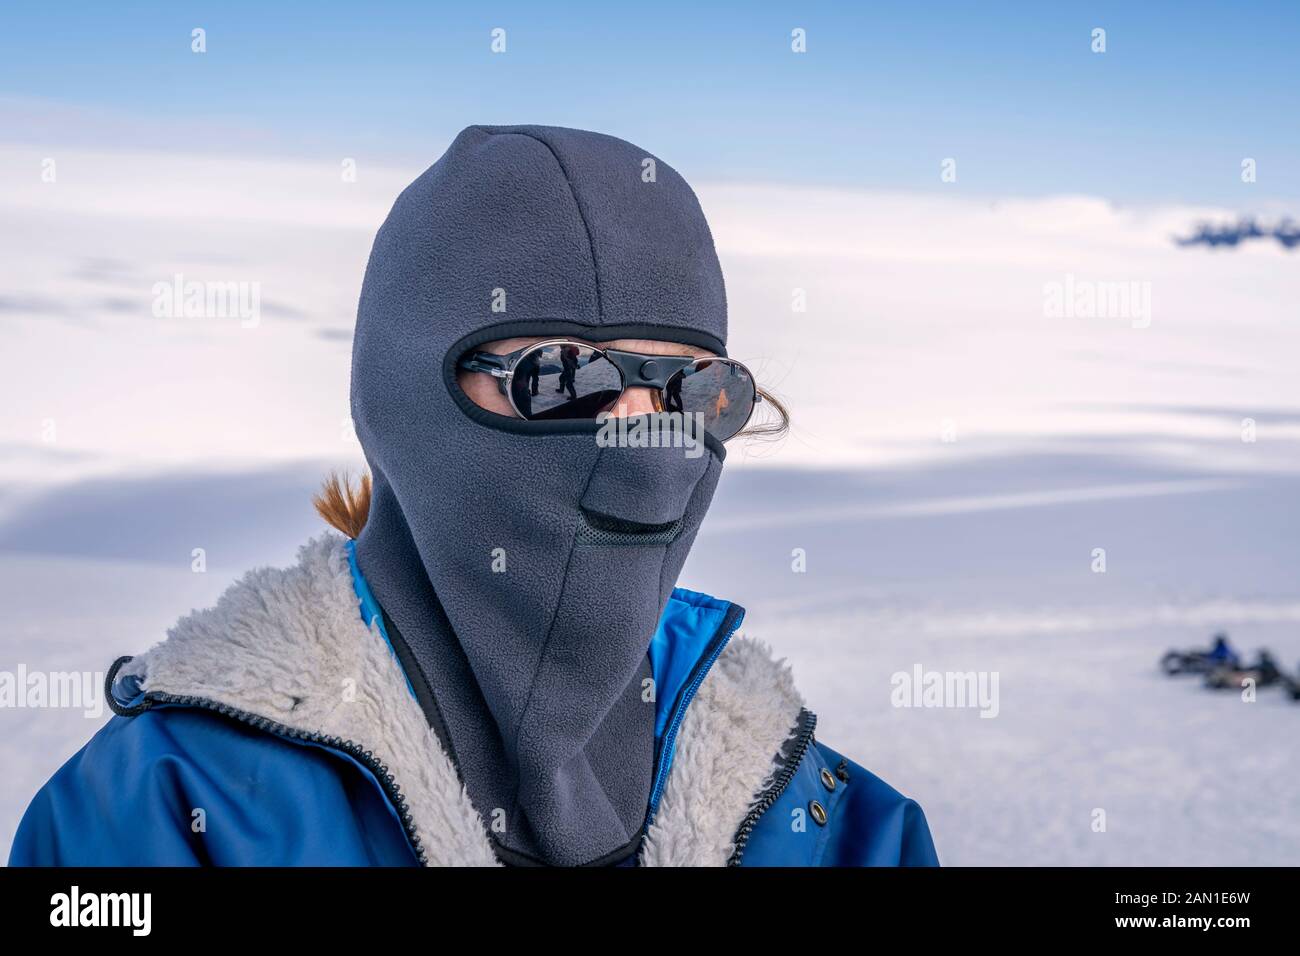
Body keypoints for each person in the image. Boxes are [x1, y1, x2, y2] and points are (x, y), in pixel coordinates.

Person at [9, 125, 938, 867]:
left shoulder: (834, 826)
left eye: (699, 391)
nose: (646, 435)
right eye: (559, 379)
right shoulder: (169, 814)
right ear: (409, 396)